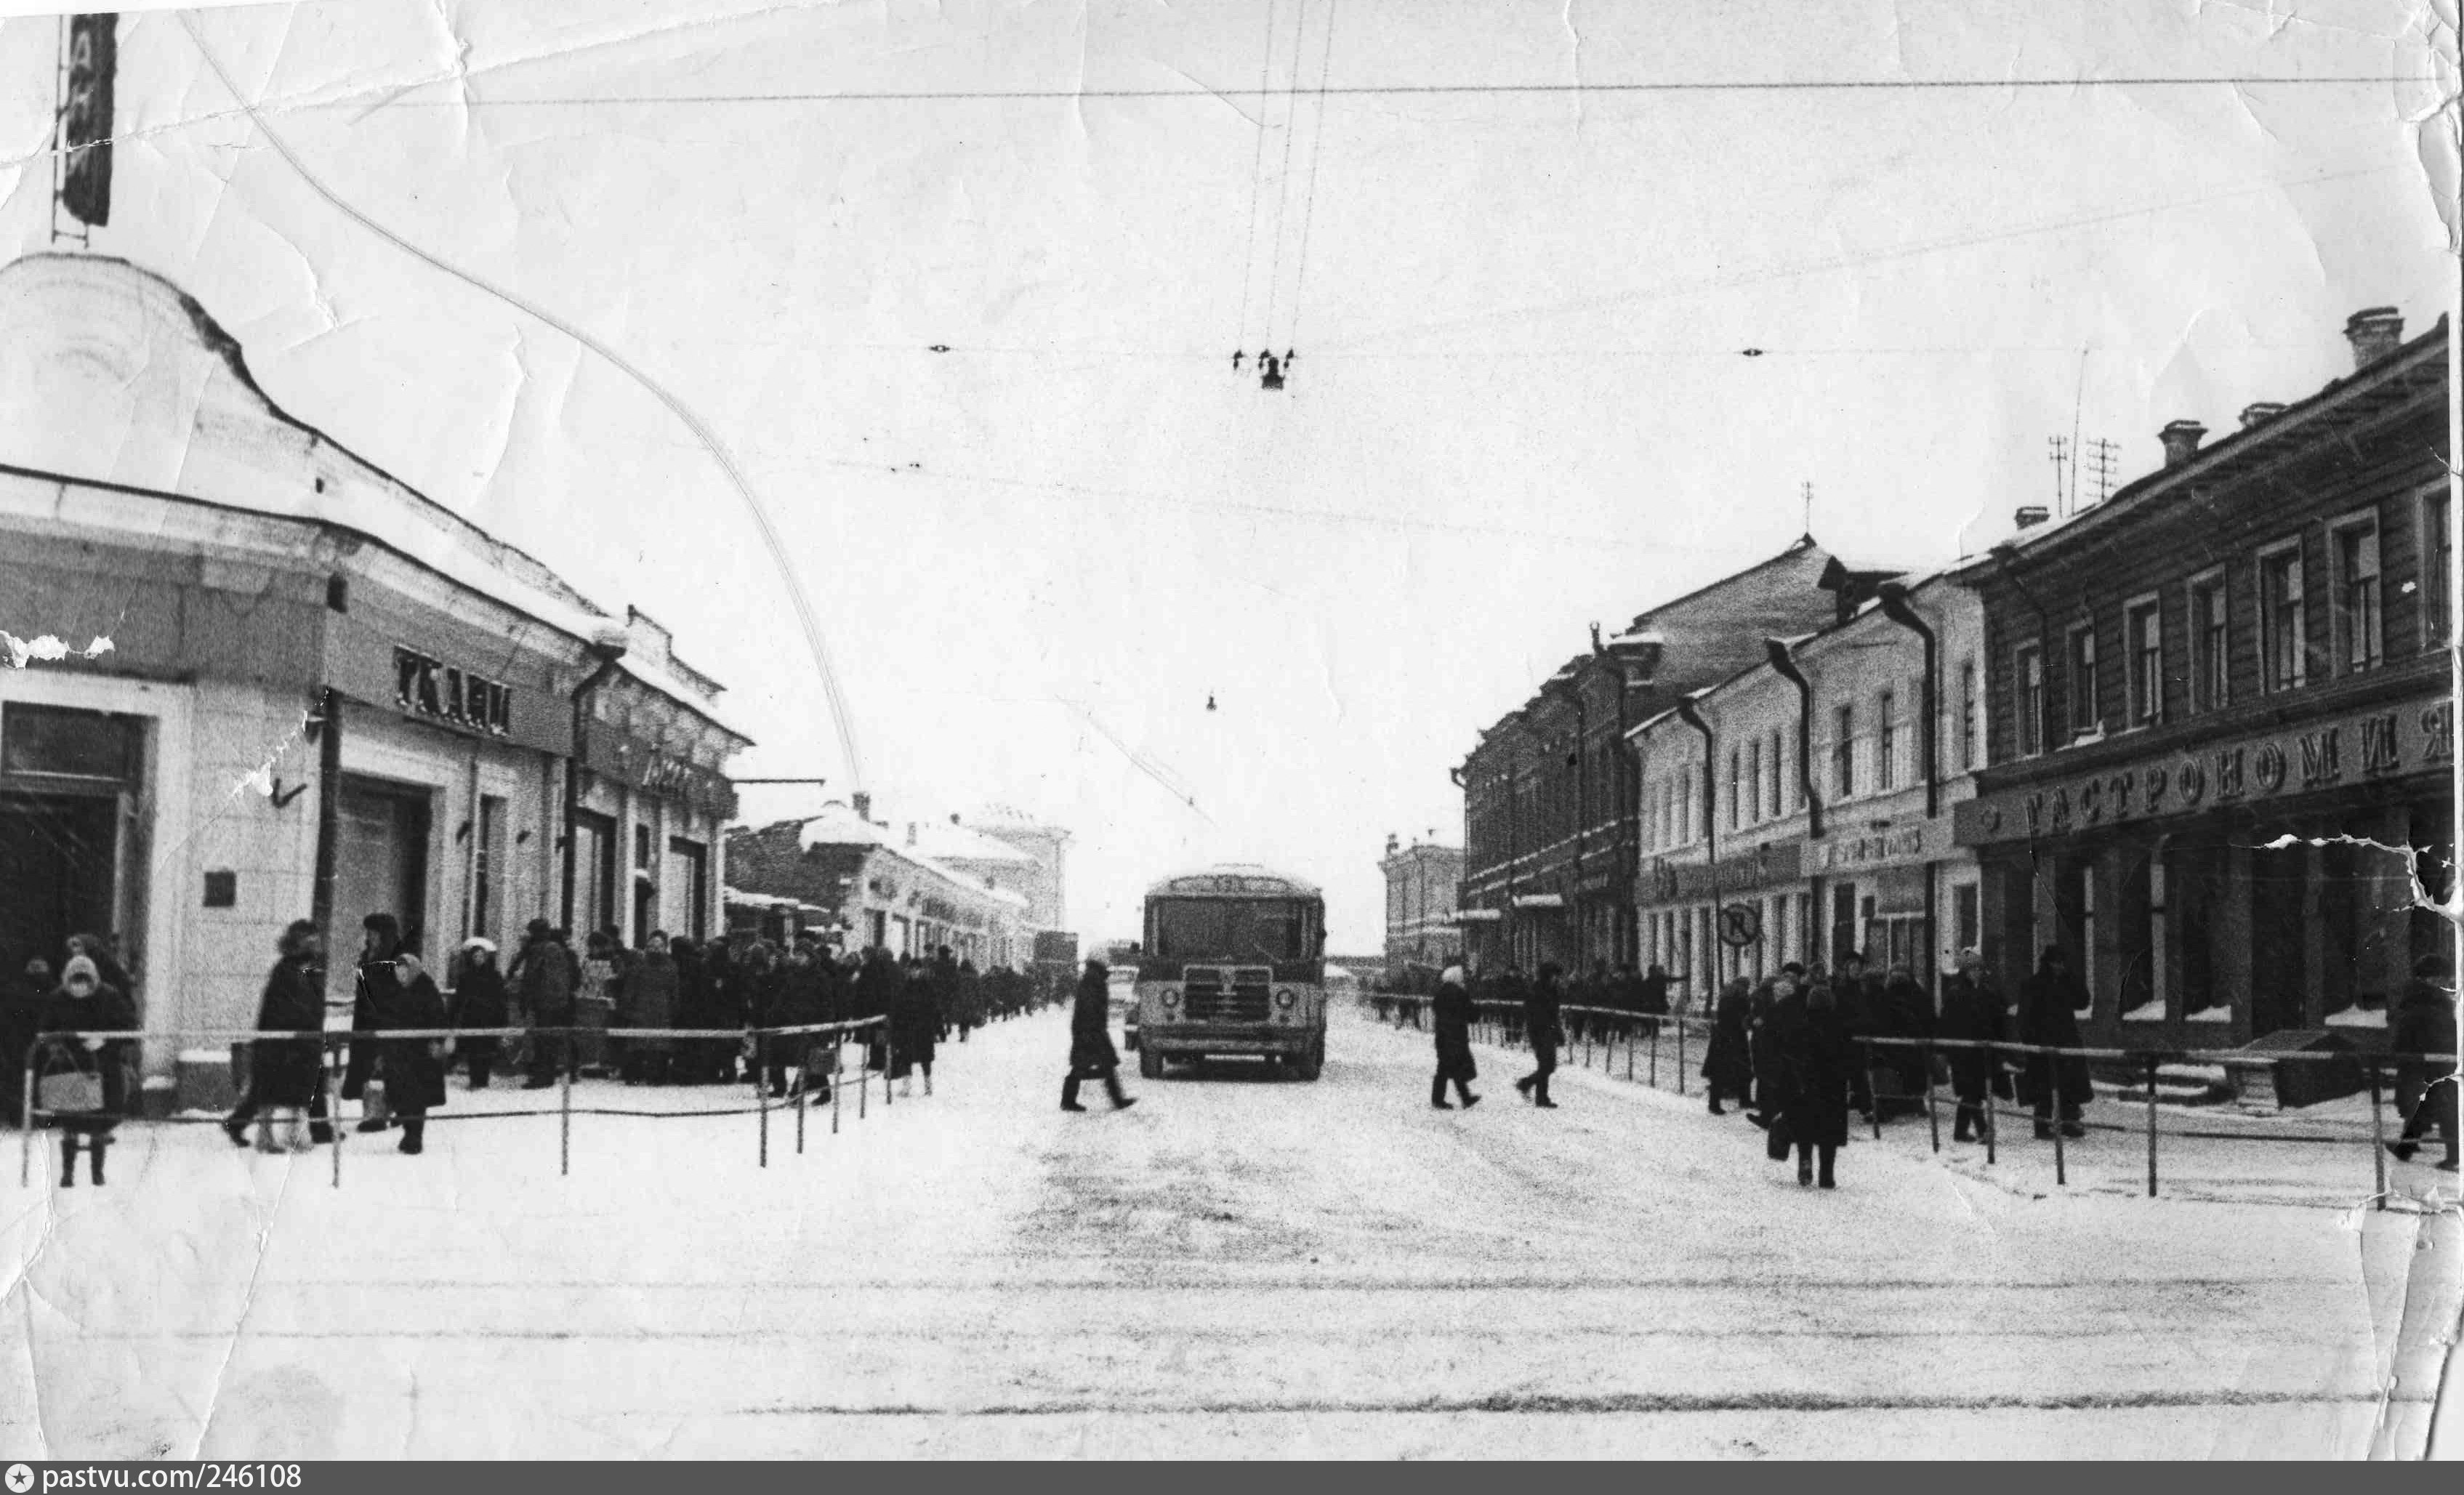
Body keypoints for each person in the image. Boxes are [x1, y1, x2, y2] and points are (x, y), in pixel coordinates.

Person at [224, 920, 328, 1148]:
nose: (315, 945)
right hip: (284, 1041)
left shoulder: (307, 970)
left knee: (304, 1087)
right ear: (299, 943)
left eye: (316, 940)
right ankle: (250, 1129)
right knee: (270, 1090)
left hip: (301, 1039)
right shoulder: (287, 970)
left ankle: (317, 1131)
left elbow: (312, 1005)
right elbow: (285, 1007)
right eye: (310, 941)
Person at [37, 954, 137, 1186]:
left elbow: (128, 1026)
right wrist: (56, 1048)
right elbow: (45, 1029)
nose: (80, 986)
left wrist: (106, 1041)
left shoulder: (109, 996)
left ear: (93, 979)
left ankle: (97, 1174)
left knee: (99, 1122)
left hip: (104, 1067)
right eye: (75, 980)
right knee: (71, 1121)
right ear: (67, 980)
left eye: (85, 980)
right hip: (70, 1066)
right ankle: (67, 1174)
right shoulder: (58, 999)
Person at [1776, 973, 1851, 1188]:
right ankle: (1827, 1174)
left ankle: (1805, 1162)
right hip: (1833, 1087)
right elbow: (1849, 1057)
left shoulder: (1800, 1026)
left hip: (1805, 1086)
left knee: (1805, 1130)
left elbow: (1788, 1055)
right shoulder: (1840, 1028)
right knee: (1829, 1133)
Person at [2388, 954, 2459, 1171]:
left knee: (2428, 1105)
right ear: (2432, 978)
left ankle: (2407, 1148)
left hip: (2423, 1060)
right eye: (2443, 978)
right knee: (2438, 1106)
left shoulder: (2419, 998)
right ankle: (2411, 1148)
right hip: (2434, 1059)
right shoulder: (2433, 1001)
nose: (2447, 983)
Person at [381, 941, 451, 1155]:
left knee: (416, 1097)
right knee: (399, 1092)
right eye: (398, 972)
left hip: (420, 1054)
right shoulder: (395, 991)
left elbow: (438, 1018)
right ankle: (408, 1129)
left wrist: (436, 1042)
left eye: (404, 972)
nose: (400, 976)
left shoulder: (426, 990)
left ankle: (414, 1137)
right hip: (398, 1052)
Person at [2018, 946, 2093, 1140]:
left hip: (2066, 1040)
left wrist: (2071, 978)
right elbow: (2024, 1016)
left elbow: (2083, 1001)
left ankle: (2070, 1123)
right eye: (2055, 962)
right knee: (2045, 1088)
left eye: (2062, 962)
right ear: (2047, 963)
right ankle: (2042, 1126)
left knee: (2069, 1085)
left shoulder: (2066, 983)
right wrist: (2031, 1043)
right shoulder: (2033, 984)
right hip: (2043, 1043)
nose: (2059, 966)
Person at [342, 914, 403, 1132]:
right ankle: (390, 1110)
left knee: (381, 1068)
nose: (369, 936)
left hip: (386, 1021)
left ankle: (379, 1115)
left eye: (373, 932)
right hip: (366, 1021)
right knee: (371, 1067)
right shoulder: (368, 956)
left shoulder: (396, 958)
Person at [1936, 948, 2004, 1144]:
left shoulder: (1985, 991)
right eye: (1972, 969)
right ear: (1965, 971)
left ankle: (1961, 1132)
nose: (1977, 972)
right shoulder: (1957, 993)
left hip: (1980, 1050)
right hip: (1964, 1051)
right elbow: (1949, 1022)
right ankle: (1983, 1131)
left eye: (1979, 968)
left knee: (1972, 1092)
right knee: (1972, 1091)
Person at [1063, 957, 1136, 1112]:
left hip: (1089, 1029)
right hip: (1091, 1030)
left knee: (1099, 1065)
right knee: (1090, 1065)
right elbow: (1090, 1006)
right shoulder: (1093, 980)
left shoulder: (1092, 977)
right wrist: (1093, 1029)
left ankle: (1069, 1100)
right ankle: (1116, 1100)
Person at [516, 920, 574, 1089]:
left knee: (542, 1039)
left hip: (544, 1001)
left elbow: (531, 976)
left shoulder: (539, 949)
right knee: (549, 1039)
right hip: (557, 1001)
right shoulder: (555, 948)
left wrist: (525, 999)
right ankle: (546, 1073)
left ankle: (542, 1076)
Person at [619, 932, 678, 1085]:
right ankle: (634, 1075)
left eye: (659, 946)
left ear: (665, 948)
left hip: (661, 1011)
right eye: (652, 946)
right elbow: (630, 990)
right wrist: (628, 1008)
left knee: (659, 1045)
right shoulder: (639, 967)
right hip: (641, 1009)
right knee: (638, 1044)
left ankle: (657, 1076)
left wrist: (673, 1009)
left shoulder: (671, 968)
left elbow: (674, 991)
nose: (655, 950)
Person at [448, 938, 508, 1089]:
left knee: (486, 1050)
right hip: (472, 1017)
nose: (478, 960)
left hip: (489, 1018)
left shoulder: (494, 976)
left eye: (481, 956)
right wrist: (454, 1016)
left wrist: (501, 1019)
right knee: (473, 1050)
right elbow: (459, 998)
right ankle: (475, 1079)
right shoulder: (466, 976)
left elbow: (500, 999)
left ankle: (483, 1079)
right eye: (476, 957)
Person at [3, 958, 51, 1126]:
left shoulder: (13, 992)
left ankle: (21, 1117)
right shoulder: (50, 993)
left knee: (21, 1081)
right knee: (37, 1079)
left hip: (20, 1044)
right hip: (33, 1043)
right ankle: (36, 1117)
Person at [1430, 964, 1481, 1109]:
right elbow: (1472, 1015)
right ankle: (1451, 1099)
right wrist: (1477, 1009)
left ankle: (1461, 1098)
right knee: (1453, 1067)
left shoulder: (1440, 993)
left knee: (1447, 1067)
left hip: (1443, 1036)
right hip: (1457, 1035)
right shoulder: (1460, 993)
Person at [1514, 963, 1565, 1108]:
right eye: (1555, 975)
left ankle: (1536, 1093)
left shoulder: (1552, 991)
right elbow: (1534, 1014)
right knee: (1547, 1066)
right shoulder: (1537, 991)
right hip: (1539, 1032)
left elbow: (1555, 1015)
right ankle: (1531, 1088)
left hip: (1549, 1032)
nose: (1557, 979)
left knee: (1547, 1066)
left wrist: (1558, 1033)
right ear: (1549, 975)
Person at [1702, 977, 1755, 1115]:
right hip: (1736, 1038)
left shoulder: (1725, 997)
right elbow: (1744, 1018)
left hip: (1721, 1038)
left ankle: (1714, 1103)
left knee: (1719, 1072)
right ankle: (1744, 1099)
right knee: (1743, 1068)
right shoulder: (1741, 999)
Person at [895, 959, 941, 1095]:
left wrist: (938, 1029)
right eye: (912, 969)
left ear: (922, 971)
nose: (914, 972)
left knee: (925, 1058)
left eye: (917, 969)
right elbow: (899, 1007)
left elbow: (935, 1009)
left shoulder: (928, 987)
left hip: (924, 1028)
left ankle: (928, 1085)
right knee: (906, 1057)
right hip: (907, 1027)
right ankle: (907, 1087)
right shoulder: (905, 987)